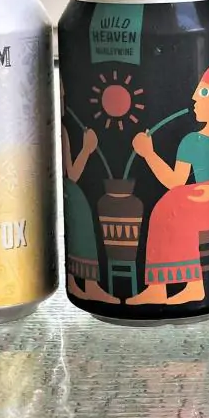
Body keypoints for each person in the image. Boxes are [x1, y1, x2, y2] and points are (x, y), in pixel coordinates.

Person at [125, 65, 209, 306]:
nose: (195, 98)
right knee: (165, 208)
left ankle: (193, 287)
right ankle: (158, 288)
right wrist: (149, 154)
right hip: (194, 197)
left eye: (204, 92)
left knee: (177, 211)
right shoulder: (189, 141)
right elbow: (175, 181)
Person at [62, 93, 119, 304]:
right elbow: (72, 174)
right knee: (83, 231)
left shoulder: (67, 128)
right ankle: (88, 286)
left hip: (74, 192)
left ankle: (84, 285)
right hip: (74, 192)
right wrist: (87, 149)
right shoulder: (66, 130)